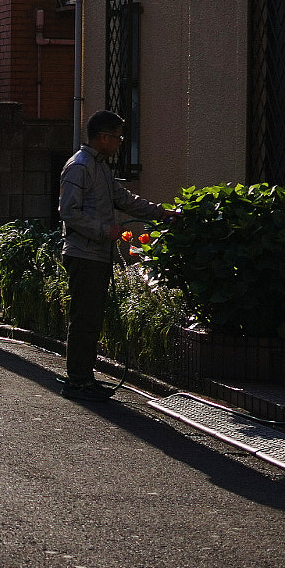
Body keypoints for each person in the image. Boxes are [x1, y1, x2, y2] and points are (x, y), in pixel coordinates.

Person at [57, 110, 174, 401]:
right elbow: (68, 212)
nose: (121, 142)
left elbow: (123, 199)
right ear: (104, 137)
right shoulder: (80, 166)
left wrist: (161, 213)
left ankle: (83, 378)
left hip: (95, 254)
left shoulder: (99, 167)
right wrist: (103, 230)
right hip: (83, 254)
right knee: (84, 319)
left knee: (91, 318)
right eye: (119, 136)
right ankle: (77, 381)